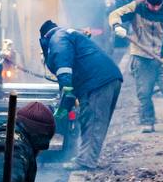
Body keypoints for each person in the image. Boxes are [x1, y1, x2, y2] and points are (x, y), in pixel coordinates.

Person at [39, 19, 123, 170]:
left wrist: (66, 88)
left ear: (44, 37)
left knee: (92, 121)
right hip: (105, 79)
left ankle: (86, 162)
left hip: (97, 82)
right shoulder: (68, 33)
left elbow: (63, 65)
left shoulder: (57, 38)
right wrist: (65, 105)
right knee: (94, 121)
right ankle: (87, 157)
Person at [108, 0, 163, 133]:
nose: (155, 8)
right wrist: (117, 26)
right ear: (147, 2)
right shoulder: (136, 7)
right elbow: (114, 14)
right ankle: (147, 122)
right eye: (152, 5)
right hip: (141, 58)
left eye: (158, 5)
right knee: (144, 93)